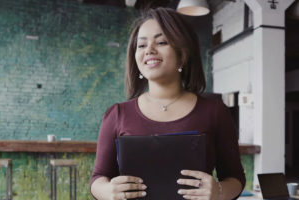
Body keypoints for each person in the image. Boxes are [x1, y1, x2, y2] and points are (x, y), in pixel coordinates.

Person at [90, 7, 245, 200]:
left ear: (183, 52)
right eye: (141, 45)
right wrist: (107, 191)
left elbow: (235, 178)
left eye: (161, 42)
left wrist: (219, 192)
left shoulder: (214, 111)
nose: (149, 50)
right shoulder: (117, 114)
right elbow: (98, 178)